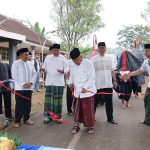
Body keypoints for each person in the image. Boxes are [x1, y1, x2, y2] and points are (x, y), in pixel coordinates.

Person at [69, 48, 96, 134]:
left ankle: (90, 126)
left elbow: (92, 77)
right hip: (77, 92)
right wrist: (70, 83)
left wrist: (85, 87)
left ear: (81, 56)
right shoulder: (73, 65)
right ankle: (76, 125)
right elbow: (71, 77)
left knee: (88, 109)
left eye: (76, 59)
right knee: (76, 109)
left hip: (87, 92)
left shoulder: (89, 64)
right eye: (73, 60)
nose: (75, 62)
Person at [122, 44, 150, 126]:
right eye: (145, 51)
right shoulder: (146, 61)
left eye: (147, 51)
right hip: (149, 87)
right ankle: (146, 120)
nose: (145, 53)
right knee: (146, 102)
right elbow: (140, 70)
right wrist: (129, 75)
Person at [41, 44, 69, 124]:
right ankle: (48, 116)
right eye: (55, 50)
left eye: (58, 50)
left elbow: (67, 68)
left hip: (58, 82)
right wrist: (42, 69)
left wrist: (63, 71)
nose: (56, 52)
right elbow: (44, 68)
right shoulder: (48, 58)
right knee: (48, 100)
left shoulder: (63, 58)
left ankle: (58, 117)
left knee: (58, 101)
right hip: (49, 81)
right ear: (52, 50)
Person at [91, 42, 118, 124]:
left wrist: (114, 80)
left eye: (103, 47)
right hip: (98, 84)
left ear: (105, 48)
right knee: (95, 102)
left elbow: (112, 70)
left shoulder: (109, 58)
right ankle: (91, 117)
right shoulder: (94, 59)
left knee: (109, 102)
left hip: (108, 84)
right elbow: (91, 72)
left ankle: (110, 118)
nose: (102, 49)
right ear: (98, 49)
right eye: (100, 48)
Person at [12, 48, 37, 128]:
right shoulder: (16, 63)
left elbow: (35, 74)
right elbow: (14, 75)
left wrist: (30, 83)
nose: (28, 56)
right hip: (20, 88)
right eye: (26, 55)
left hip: (29, 88)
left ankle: (26, 118)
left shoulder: (30, 64)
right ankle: (17, 121)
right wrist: (23, 84)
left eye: (28, 55)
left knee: (27, 104)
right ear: (21, 55)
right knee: (19, 104)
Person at [0, 55, 14, 120]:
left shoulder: (6, 65)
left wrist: (11, 84)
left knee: (8, 101)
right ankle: (0, 115)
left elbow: (10, 75)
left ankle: (8, 115)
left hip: (7, 87)